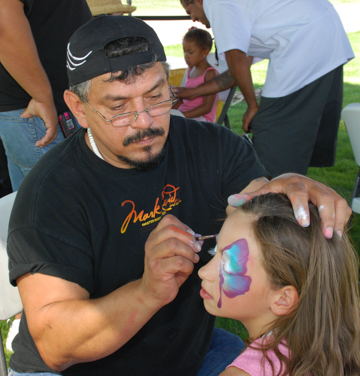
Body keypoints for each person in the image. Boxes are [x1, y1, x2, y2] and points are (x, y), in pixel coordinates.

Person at [7, 15, 351, 376]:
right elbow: (55, 346)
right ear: (79, 109)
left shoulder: (214, 148)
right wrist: (147, 291)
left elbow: (264, 216)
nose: (145, 121)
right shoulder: (50, 194)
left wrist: (288, 185)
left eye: (156, 96)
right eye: (119, 106)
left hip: (185, 353)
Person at [177, 0, 354, 178]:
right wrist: (190, 92)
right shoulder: (239, 8)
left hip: (306, 40)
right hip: (324, 30)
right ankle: (289, 186)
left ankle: (274, 195)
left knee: (270, 132)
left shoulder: (216, 3)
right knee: (289, 140)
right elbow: (236, 71)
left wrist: (252, 106)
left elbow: (236, 59)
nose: (192, 18)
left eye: (189, 10)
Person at [199, 193, 360, 375]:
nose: (203, 272)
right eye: (214, 250)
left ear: (283, 299)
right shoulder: (334, 342)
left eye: (228, 266)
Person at [0, 0, 92, 191]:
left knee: (31, 208)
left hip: (49, 104)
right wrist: (42, 96)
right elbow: (3, 19)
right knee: (63, 208)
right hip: (37, 107)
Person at [172, 27, 219, 122]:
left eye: (190, 52)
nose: (186, 56)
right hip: (186, 116)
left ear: (205, 52)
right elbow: (181, 100)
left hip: (202, 120)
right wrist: (171, 112)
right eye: (184, 51)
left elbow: (207, 107)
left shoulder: (210, 73)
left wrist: (181, 116)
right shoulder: (190, 69)